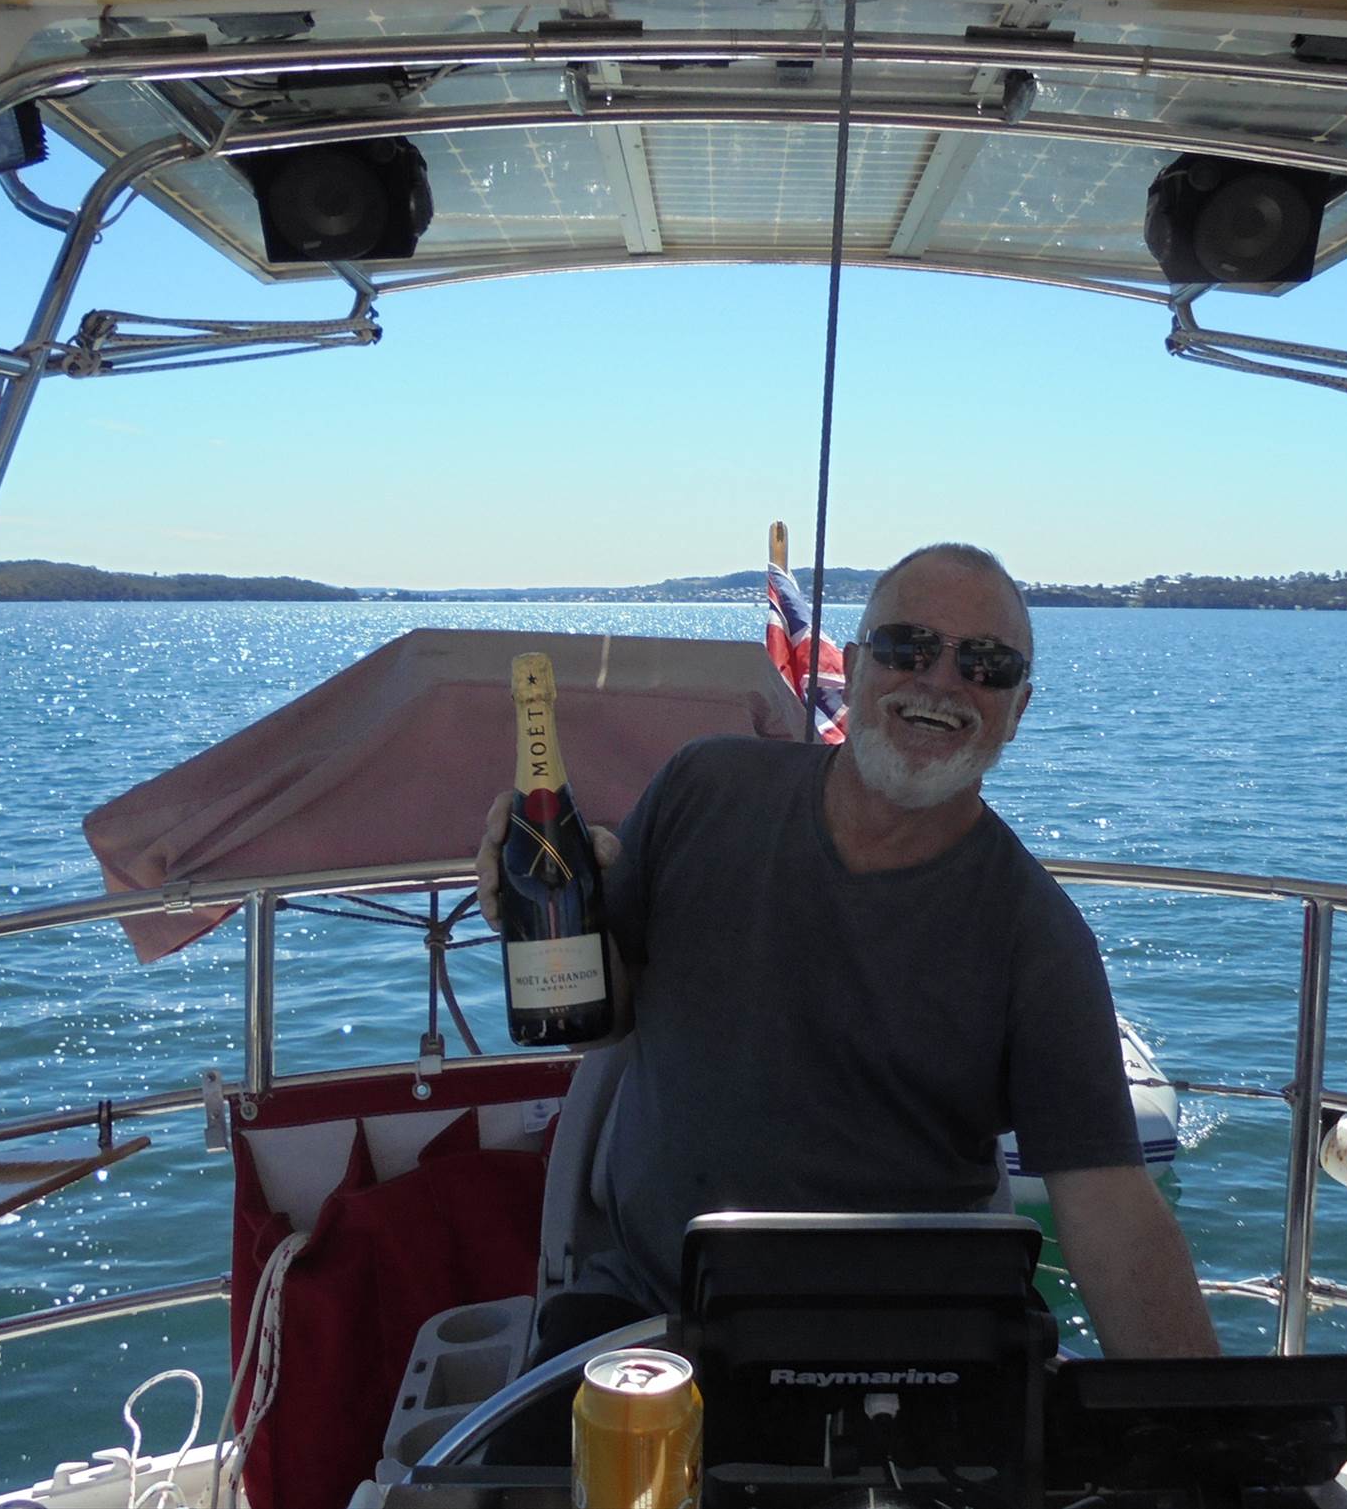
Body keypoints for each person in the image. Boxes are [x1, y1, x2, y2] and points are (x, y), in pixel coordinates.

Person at [476, 542, 1218, 1394]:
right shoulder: (701, 791)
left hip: (906, 1341)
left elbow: (1112, 1207)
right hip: (650, 1305)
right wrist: (536, 913)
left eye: (986, 664)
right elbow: (604, 1014)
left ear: (1017, 709)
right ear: (856, 666)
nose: (940, 681)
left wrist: (1207, 1431)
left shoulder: (1038, 937)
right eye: (908, 647)